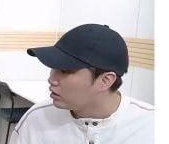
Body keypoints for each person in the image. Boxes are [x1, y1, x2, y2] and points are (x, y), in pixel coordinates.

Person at [11, 24, 154, 142]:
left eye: (65, 70)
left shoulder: (151, 126)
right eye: (54, 68)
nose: (52, 79)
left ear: (105, 80)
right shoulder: (36, 120)